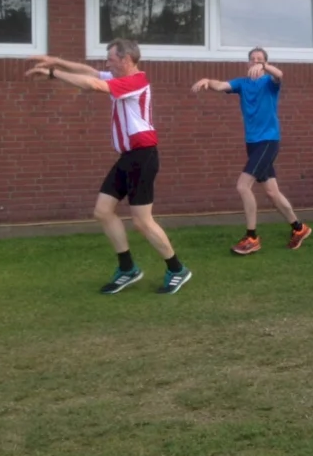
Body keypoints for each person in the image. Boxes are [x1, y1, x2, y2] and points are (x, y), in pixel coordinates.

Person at [26, 40, 192, 295]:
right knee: (103, 211)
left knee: (142, 222)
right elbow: (90, 73)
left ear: (126, 60)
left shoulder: (136, 81)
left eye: (111, 59)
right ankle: (128, 269)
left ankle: (177, 269)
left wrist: (51, 73)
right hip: (128, 158)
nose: (106, 64)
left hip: (143, 157)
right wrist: (57, 61)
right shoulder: (120, 77)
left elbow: (93, 84)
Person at [191, 47, 312, 255]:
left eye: (260, 59)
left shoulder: (269, 83)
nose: (255, 62)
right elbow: (221, 86)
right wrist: (207, 81)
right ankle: (299, 228)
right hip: (253, 143)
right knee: (272, 192)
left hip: (268, 141)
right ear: (247, 63)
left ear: (265, 63)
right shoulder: (242, 83)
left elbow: (280, 75)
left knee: (243, 186)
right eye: (252, 59)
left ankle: (252, 237)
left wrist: (265, 67)